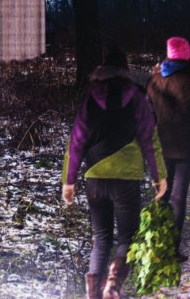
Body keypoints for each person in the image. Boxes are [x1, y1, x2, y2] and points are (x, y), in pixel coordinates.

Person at [62, 44, 167, 299]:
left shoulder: (90, 99)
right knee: (127, 238)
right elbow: (150, 141)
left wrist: (69, 181)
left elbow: (75, 142)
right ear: (125, 71)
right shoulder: (138, 98)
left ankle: (94, 294)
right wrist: (159, 176)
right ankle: (112, 286)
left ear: (103, 70)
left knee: (101, 237)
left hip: (95, 179)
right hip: (127, 179)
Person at [146, 36, 190, 261]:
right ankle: (170, 249)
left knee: (161, 195)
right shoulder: (187, 80)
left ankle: (155, 244)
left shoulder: (155, 80)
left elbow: (149, 113)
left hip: (160, 147)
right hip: (184, 150)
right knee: (178, 200)